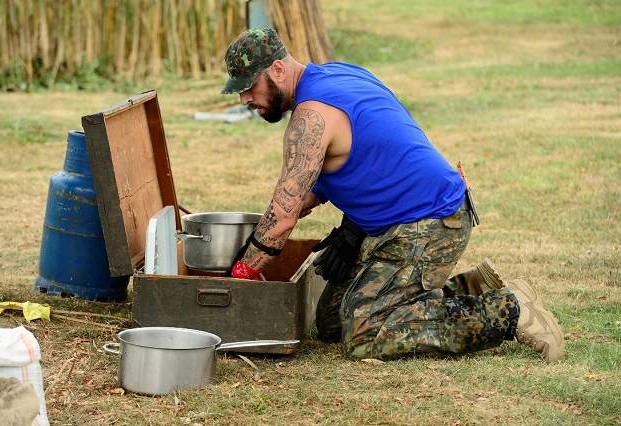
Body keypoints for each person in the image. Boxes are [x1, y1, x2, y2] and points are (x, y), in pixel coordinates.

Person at [222, 28, 564, 362]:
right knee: (329, 321)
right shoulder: (340, 73)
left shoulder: (311, 117)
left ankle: (509, 310)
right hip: (397, 223)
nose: (245, 99)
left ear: (277, 70)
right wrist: (351, 229)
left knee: (363, 333)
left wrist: (241, 275)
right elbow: (321, 183)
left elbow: (282, 217)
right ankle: (468, 289)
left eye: (249, 87)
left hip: (429, 222)